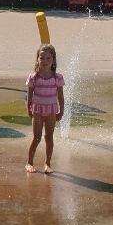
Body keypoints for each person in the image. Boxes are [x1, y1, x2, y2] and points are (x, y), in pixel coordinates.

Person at [25, 44, 64, 174]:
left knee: (49, 137)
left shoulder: (57, 78)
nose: (45, 61)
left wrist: (61, 110)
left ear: (53, 60)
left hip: (51, 111)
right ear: (37, 60)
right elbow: (29, 96)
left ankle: (47, 163)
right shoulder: (34, 77)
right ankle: (29, 162)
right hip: (37, 111)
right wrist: (29, 109)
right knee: (36, 137)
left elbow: (60, 96)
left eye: (48, 58)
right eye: (42, 58)